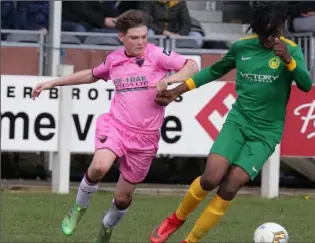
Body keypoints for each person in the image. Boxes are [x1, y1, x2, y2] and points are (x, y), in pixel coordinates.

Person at [149, 2, 312, 243]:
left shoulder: (290, 50)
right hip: (239, 121)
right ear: (255, 29)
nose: (269, 39)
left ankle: (190, 241)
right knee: (211, 178)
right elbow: (213, 71)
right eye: (264, 33)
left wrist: (289, 61)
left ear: (280, 28)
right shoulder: (241, 48)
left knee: (231, 186)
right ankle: (176, 218)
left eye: (274, 33)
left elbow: (306, 85)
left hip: (266, 133)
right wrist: (176, 92)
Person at [31, 9, 198, 243]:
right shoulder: (114, 59)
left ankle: (107, 226)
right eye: (134, 38)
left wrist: (169, 80)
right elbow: (91, 74)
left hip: (146, 138)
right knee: (99, 167)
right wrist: (53, 83)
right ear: (122, 38)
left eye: (143, 37)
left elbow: (192, 65)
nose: (140, 42)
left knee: (122, 198)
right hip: (116, 126)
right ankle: (78, 209)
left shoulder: (158, 55)